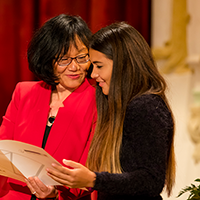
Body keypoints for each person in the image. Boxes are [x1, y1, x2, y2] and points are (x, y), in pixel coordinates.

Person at [0, 14, 97, 200]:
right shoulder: (24, 92)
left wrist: (54, 195)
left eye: (82, 57)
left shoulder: (98, 99)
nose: (74, 67)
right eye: (64, 59)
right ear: (48, 58)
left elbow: (91, 170)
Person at [47, 22, 176, 200]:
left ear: (124, 65)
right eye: (92, 66)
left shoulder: (145, 107)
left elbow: (151, 179)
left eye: (99, 66)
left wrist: (94, 179)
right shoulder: (116, 105)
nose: (93, 74)